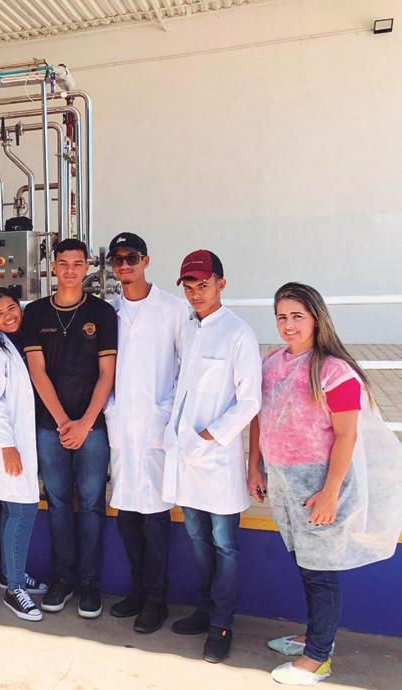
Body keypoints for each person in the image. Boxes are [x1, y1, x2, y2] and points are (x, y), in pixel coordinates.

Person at [248, 283, 402, 686]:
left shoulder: (334, 371)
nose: (288, 325)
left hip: (319, 484)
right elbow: (259, 417)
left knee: (320, 571)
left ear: (316, 318)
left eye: (297, 316)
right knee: (305, 562)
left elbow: (347, 435)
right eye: (281, 316)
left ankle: (318, 658)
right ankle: (317, 635)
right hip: (284, 482)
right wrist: (254, 466)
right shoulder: (271, 363)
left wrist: (330, 492)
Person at [162, 249, 262, 663]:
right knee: (198, 540)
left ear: (221, 283)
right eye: (188, 286)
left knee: (224, 545)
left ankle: (222, 623)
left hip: (216, 458)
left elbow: (250, 400)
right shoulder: (188, 329)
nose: (195, 293)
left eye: (203, 285)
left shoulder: (239, 333)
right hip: (185, 456)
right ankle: (205, 609)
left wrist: (209, 435)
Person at [22, 238, 117, 618]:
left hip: (92, 426)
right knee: (59, 502)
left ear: (87, 266)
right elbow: (37, 371)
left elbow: (107, 374)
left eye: (78, 264)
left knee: (91, 503)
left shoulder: (102, 312)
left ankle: (90, 583)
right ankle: (63, 578)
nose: (70, 270)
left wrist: (85, 423)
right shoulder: (35, 313)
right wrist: (64, 422)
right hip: (52, 426)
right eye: (63, 263)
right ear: (53, 267)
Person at [105, 232, 186, 634]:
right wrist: (110, 409)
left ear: (146, 260)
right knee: (126, 516)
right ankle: (138, 590)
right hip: (121, 425)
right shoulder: (109, 312)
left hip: (156, 425)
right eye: (117, 259)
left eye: (131, 257)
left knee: (154, 517)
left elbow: (186, 366)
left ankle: (156, 598)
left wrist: (165, 411)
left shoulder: (173, 309)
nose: (124, 265)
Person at [0, 287, 46, 621]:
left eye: (11, 308)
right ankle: (14, 590)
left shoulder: (21, 343)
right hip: (8, 442)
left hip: (22, 439)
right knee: (23, 510)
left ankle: (11, 573)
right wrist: (7, 445)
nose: (8, 316)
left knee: (12, 509)